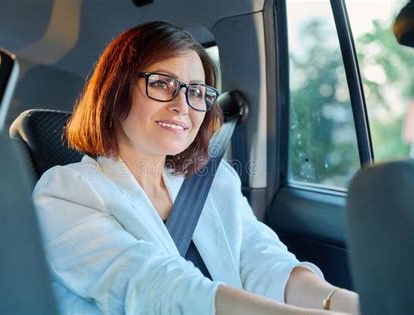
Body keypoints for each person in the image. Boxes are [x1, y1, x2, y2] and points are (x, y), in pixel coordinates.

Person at [32, 21, 359, 314]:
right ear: (115, 89)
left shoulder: (215, 181)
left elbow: (263, 259)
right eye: (162, 83)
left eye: (197, 92)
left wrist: (338, 301)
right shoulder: (65, 192)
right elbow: (154, 287)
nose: (182, 106)